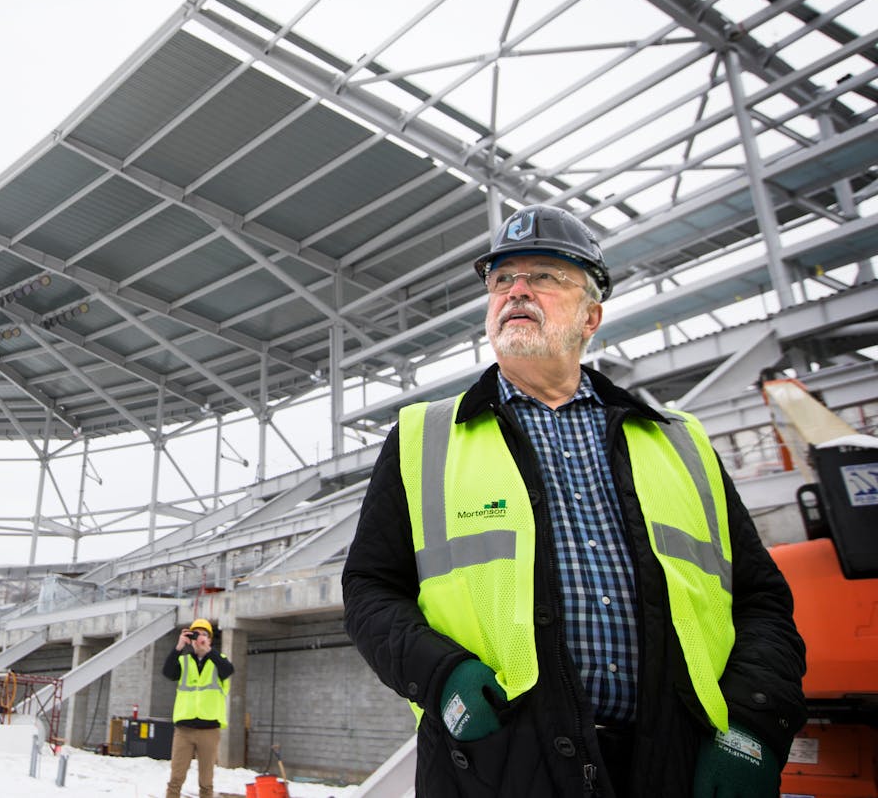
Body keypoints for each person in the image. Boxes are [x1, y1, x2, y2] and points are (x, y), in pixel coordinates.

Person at [342, 204, 806, 798]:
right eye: (501, 280)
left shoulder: (679, 442)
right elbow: (368, 588)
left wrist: (755, 724)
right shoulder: (422, 437)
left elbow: (762, 601)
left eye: (544, 276)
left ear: (591, 316)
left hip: (673, 763)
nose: (516, 291)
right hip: (494, 766)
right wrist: (442, 674)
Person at [162, 617, 233, 798]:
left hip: (209, 729)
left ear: (210, 639)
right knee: (176, 779)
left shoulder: (219, 661)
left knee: (206, 782)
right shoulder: (184, 661)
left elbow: (228, 670)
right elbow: (168, 672)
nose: (200, 639)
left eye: (204, 635)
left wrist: (208, 651)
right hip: (184, 730)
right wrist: (178, 647)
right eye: (196, 635)